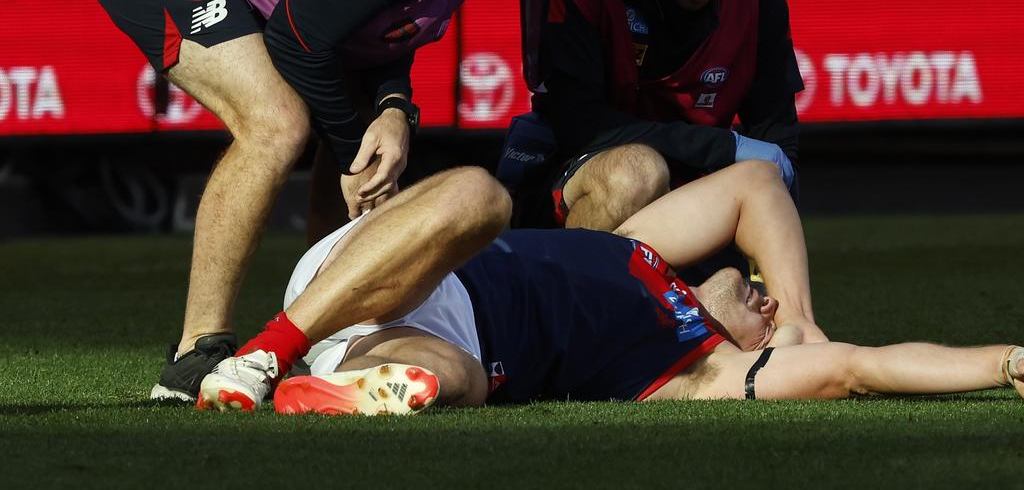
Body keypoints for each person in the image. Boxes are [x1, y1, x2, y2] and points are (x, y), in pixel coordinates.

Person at [77, 0, 654, 402]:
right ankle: (195, 355)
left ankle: (331, 326)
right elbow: (299, 38)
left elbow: (368, 24)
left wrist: (393, 106)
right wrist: (358, 148)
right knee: (277, 124)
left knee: (358, 130)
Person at [194, 160, 1024, 414]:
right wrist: (800, 314)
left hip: (430, 339)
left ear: (754, 357)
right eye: (766, 291)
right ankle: (273, 351)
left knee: (450, 384)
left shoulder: (701, 366)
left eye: (768, 323)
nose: (763, 301)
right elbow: (756, 187)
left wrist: (1006, 362)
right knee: (481, 196)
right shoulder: (640, 254)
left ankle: (318, 385)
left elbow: (865, 366)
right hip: (407, 261)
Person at [505, 0, 804, 232]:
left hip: (693, 192)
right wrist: (724, 147)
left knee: (736, 286)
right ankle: (569, 289)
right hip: (578, 178)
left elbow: (777, 134)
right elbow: (580, 124)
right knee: (636, 175)